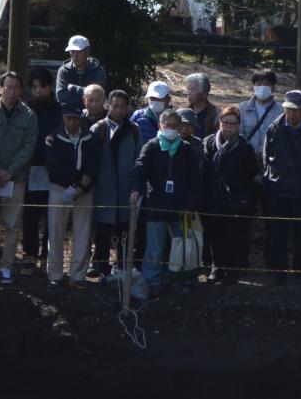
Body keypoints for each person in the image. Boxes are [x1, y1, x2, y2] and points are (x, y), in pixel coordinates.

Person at [130, 107, 202, 299]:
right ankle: (153, 282)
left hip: (180, 208)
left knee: (180, 248)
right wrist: (136, 188)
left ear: (180, 127)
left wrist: (190, 206)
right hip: (156, 205)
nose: (170, 128)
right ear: (160, 125)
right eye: (167, 125)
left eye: (174, 125)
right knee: (154, 248)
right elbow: (139, 170)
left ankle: (179, 280)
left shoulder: (186, 149)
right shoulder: (152, 146)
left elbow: (195, 180)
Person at [0, 70, 39, 284]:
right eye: (8, 87)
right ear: (0, 88)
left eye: (16, 87)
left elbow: (28, 147)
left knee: (12, 225)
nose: (12, 91)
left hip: (16, 179)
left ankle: (6, 267)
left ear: (21, 90)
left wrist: (9, 171)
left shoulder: (29, 116)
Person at [261, 89, 301, 281]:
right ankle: (278, 271)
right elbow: (266, 158)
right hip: (278, 191)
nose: (291, 114)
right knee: (278, 234)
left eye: (295, 110)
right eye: (288, 109)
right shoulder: (274, 128)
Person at [41, 99, 97, 285]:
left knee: (83, 232)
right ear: (63, 118)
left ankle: (78, 275)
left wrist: (82, 186)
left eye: (75, 118)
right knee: (55, 232)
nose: (72, 122)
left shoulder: (90, 137)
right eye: (68, 118)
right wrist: (71, 184)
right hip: (59, 189)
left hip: (84, 191)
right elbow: (53, 166)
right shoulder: (52, 138)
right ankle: (55, 274)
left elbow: (93, 166)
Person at [203, 104, 259, 282]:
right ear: (219, 123)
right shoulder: (209, 142)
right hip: (214, 198)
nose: (228, 126)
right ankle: (216, 268)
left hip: (237, 199)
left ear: (238, 125)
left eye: (233, 123)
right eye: (225, 122)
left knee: (235, 237)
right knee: (214, 236)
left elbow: (251, 174)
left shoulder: (245, 147)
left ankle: (233, 271)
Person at [89, 89, 140, 280]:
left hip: (126, 191)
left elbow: (139, 160)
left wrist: (137, 186)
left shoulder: (134, 130)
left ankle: (122, 270)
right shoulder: (98, 129)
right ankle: (100, 269)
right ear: (108, 105)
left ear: (128, 109)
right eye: (115, 105)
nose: (118, 110)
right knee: (102, 233)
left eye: (122, 106)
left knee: (124, 233)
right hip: (104, 190)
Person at [18, 70, 60, 267]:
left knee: (53, 214)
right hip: (32, 167)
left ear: (50, 86)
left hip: (54, 169)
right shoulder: (26, 109)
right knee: (31, 214)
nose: (38, 91)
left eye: (42, 86)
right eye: (34, 87)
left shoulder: (60, 110)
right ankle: (30, 252)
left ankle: (48, 254)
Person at [237, 70, 283, 153]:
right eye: (259, 84)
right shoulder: (242, 108)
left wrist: (263, 152)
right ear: (254, 86)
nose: (262, 87)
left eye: (266, 84)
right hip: (247, 157)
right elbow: (239, 134)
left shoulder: (281, 109)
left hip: (271, 157)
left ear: (273, 87)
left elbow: (281, 136)